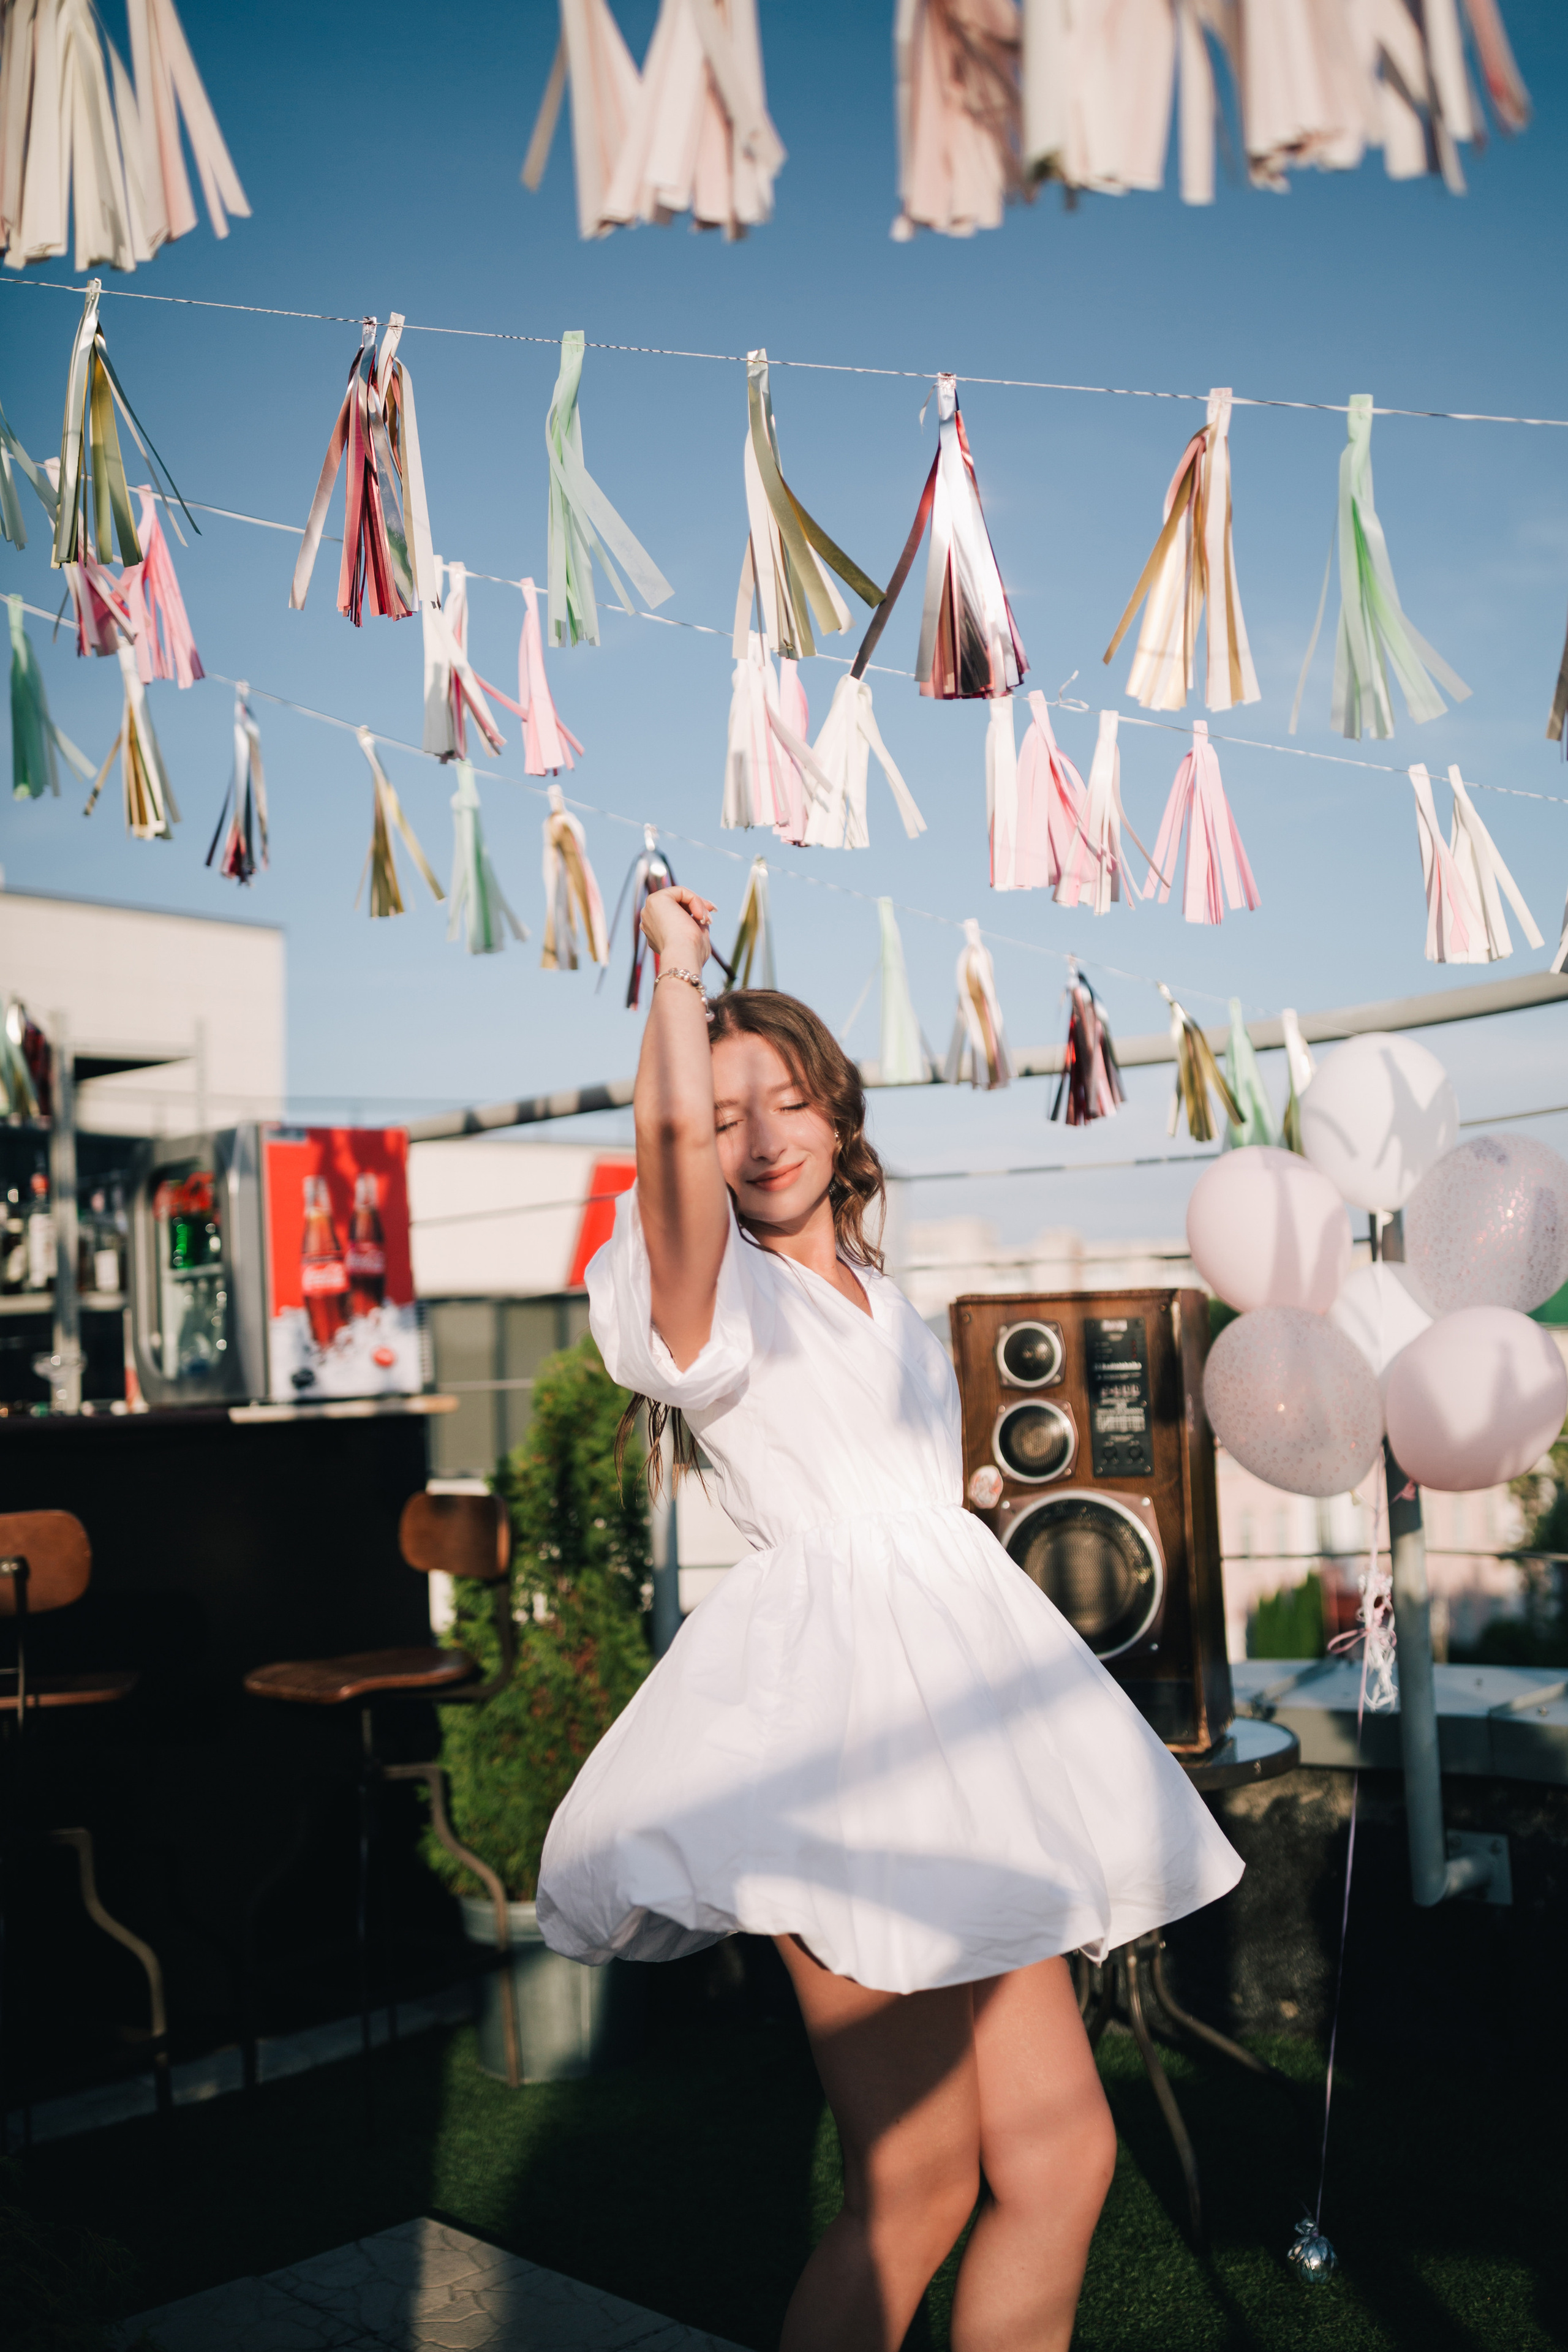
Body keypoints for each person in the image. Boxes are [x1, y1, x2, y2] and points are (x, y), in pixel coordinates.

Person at [537, 885, 1243, 2352]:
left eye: (785, 1096)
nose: (759, 1132)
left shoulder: (871, 1279)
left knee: (1061, 2161)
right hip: (834, 1738)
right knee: (913, 2185)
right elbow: (665, 1150)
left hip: (969, 1722)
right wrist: (678, 972)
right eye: (726, 1113)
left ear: (836, 1110)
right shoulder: (698, 1288)